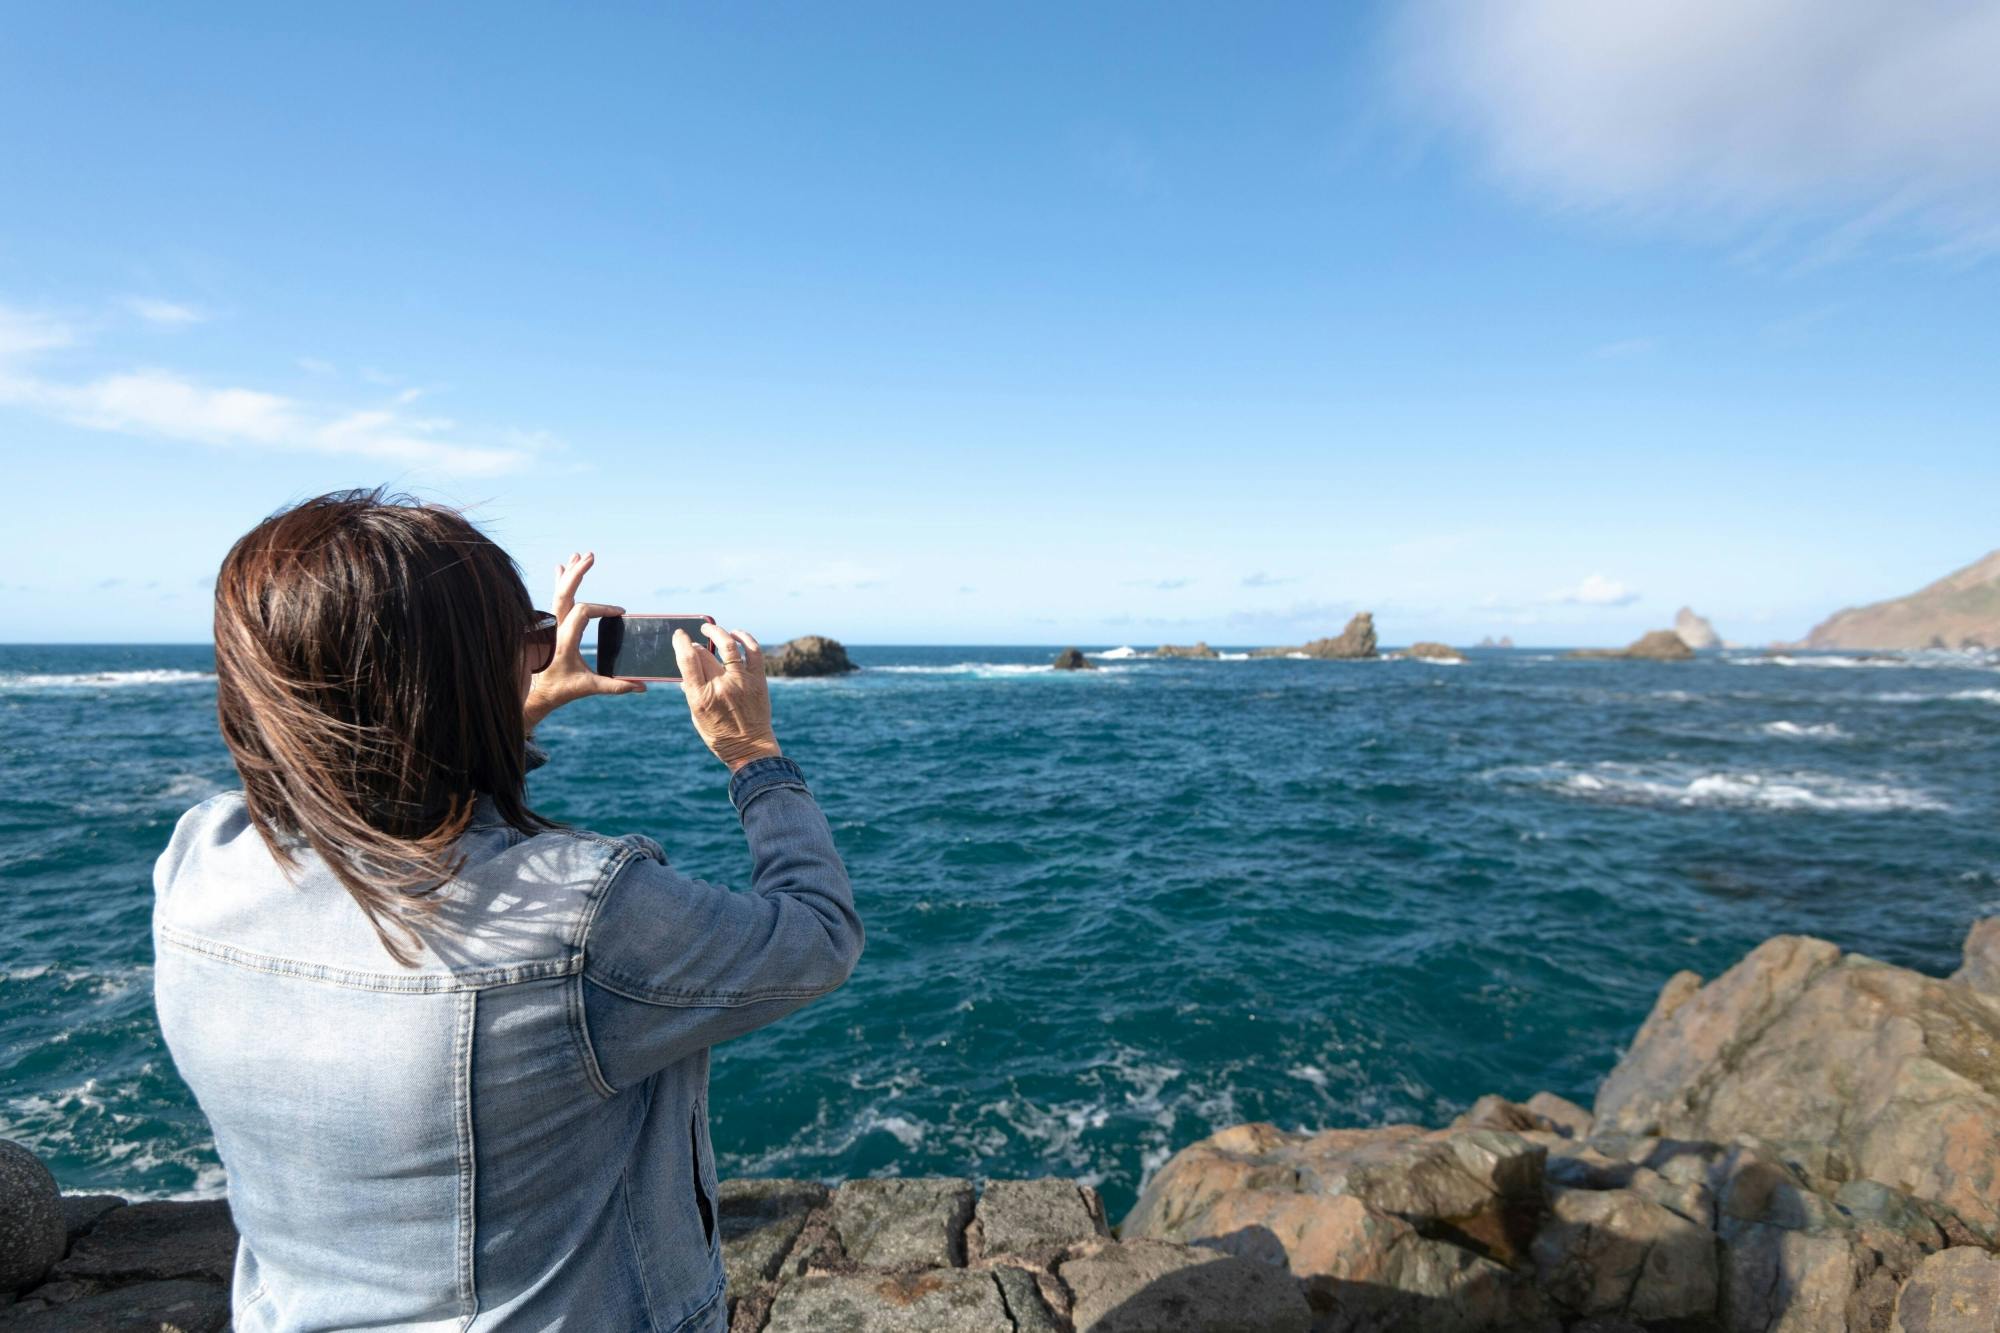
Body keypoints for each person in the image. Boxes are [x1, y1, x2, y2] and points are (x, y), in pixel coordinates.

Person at [152, 488, 862, 1331]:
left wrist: (509, 700)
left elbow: (363, 785)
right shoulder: (582, 912)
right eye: (522, 638)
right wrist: (752, 754)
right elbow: (816, 935)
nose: (540, 650)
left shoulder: (203, 859)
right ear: (454, 678)